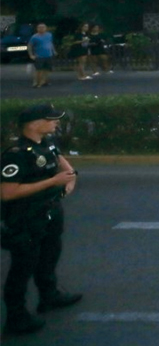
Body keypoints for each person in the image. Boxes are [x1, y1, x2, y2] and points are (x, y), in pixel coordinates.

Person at [1, 104, 83, 334]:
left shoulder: (46, 144)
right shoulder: (16, 155)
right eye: (51, 119)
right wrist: (51, 182)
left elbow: (66, 168)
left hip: (49, 211)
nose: (56, 122)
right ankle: (16, 318)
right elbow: (7, 193)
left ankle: (49, 295)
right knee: (22, 268)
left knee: (49, 256)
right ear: (34, 124)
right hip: (25, 217)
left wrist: (68, 182)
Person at [28, 23, 55, 89]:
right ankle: (36, 82)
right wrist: (31, 55)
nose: (42, 29)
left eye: (43, 27)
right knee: (38, 70)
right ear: (37, 29)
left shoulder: (49, 35)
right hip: (39, 56)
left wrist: (53, 50)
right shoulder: (34, 37)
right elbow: (30, 46)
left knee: (47, 69)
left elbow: (50, 43)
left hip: (48, 54)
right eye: (40, 27)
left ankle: (44, 81)